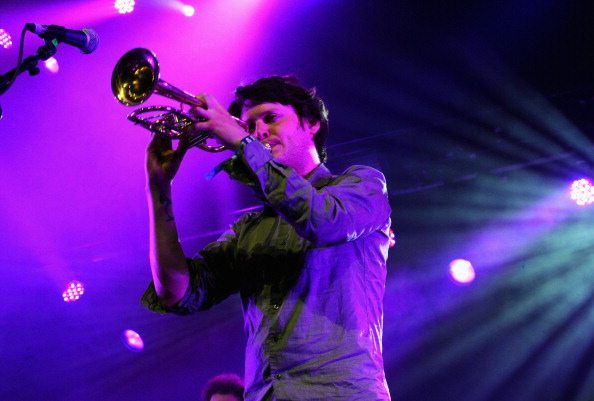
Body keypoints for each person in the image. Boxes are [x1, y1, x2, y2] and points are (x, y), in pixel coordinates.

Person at [141, 76, 392, 401]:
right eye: (249, 126)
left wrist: (241, 142)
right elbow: (177, 292)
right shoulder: (247, 230)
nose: (258, 132)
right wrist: (159, 188)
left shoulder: (363, 185)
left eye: (271, 118)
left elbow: (323, 221)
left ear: (311, 123)